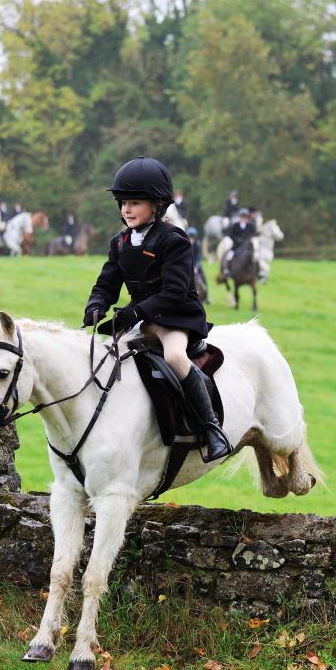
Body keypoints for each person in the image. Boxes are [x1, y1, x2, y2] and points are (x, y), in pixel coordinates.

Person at [82, 156, 231, 462]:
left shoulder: (174, 240)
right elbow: (107, 283)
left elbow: (175, 292)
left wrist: (136, 313)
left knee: (174, 356)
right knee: (107, 356)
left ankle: (211, 428)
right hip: (142, 318)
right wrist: (96, 305)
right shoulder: (120, 243)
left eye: (135, 203)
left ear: (157, 206)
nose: (126, 209)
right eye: (123, 203)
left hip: (176, 317)